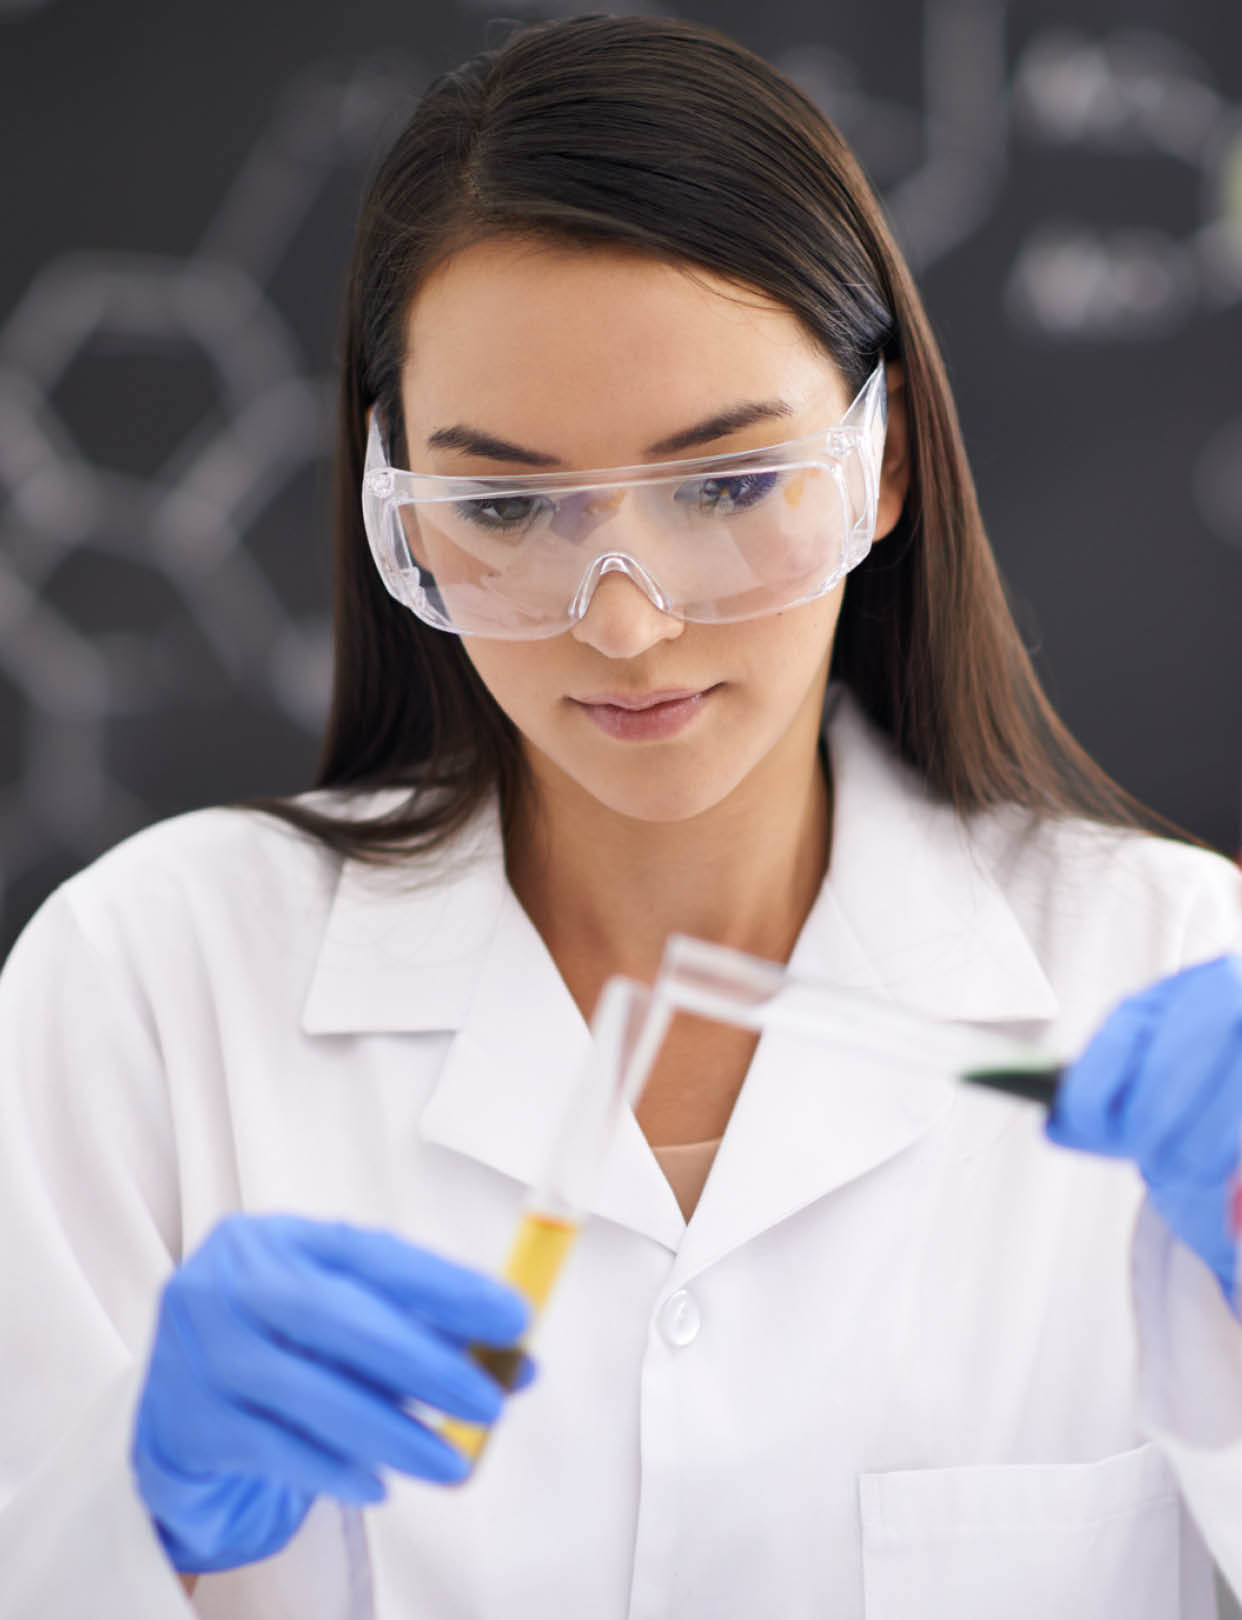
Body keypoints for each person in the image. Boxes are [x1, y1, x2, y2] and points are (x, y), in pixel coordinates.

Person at [2, 14, 1241, 1619]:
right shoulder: (151, 988)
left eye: (726, 486)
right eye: (506, 506)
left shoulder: (1173, 966)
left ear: (879, 470)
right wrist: (127, 1518)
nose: (625, 622)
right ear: (402, 519)